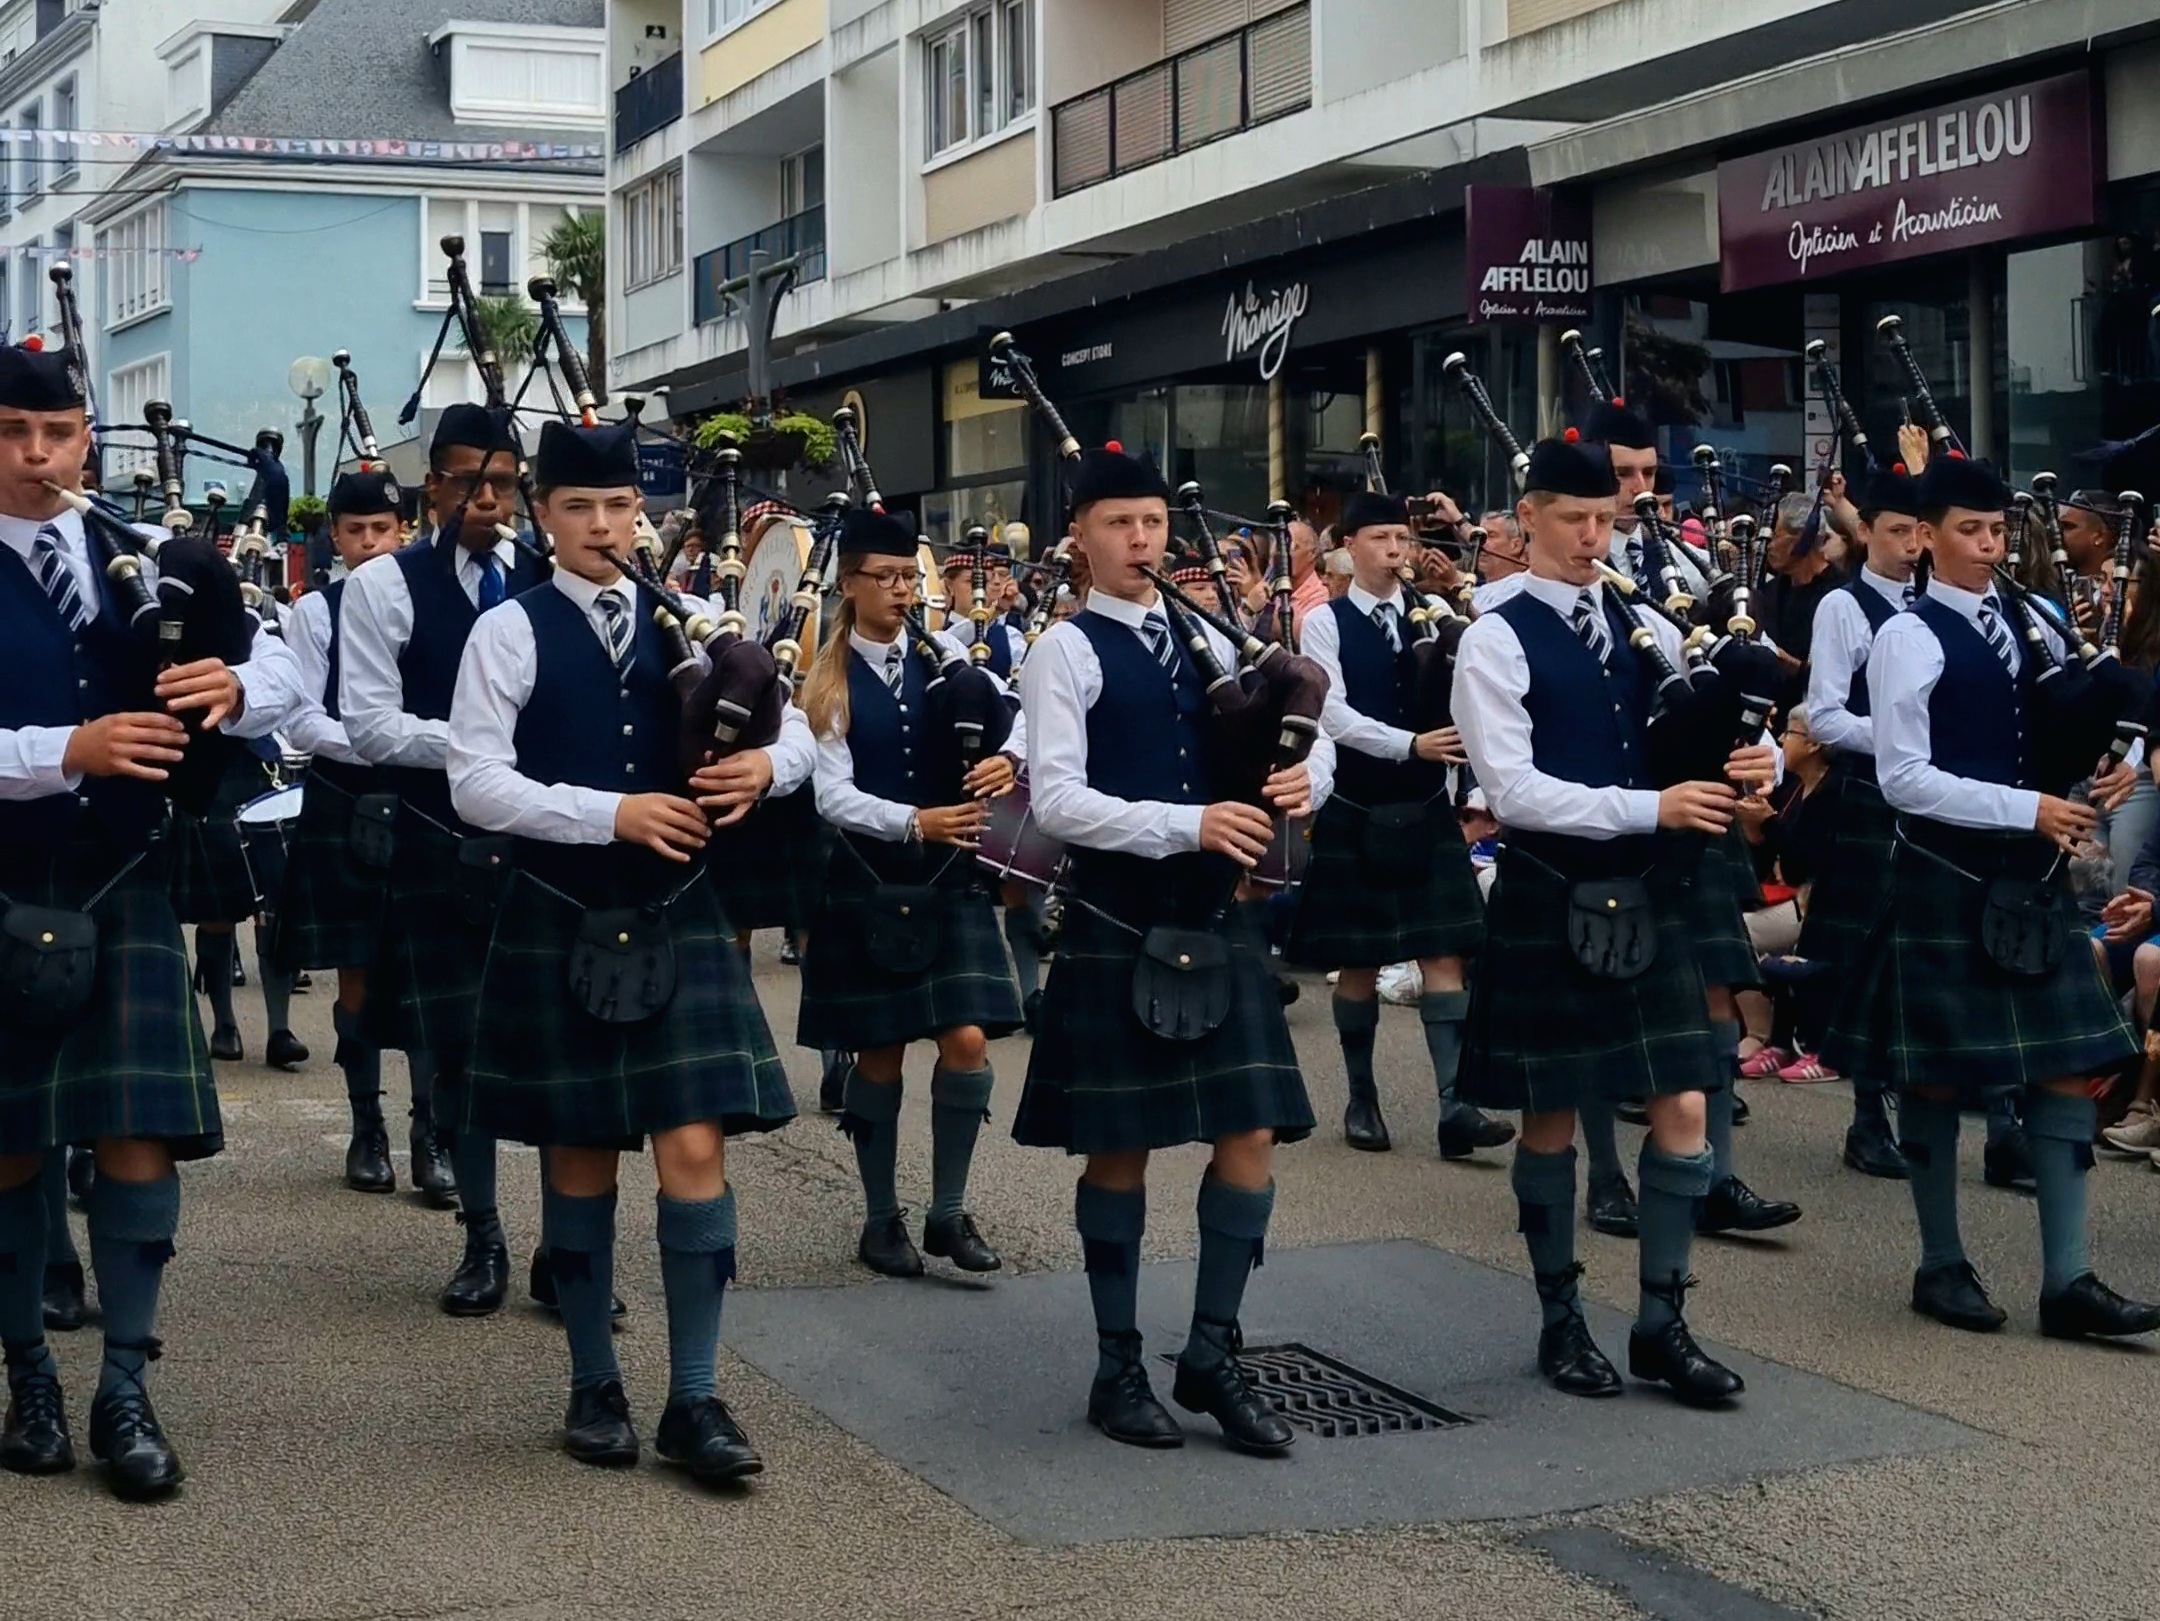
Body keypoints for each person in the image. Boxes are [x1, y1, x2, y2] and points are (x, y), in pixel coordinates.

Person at [445, 419, 795, 1478]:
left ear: (640, 516)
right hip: (565, 910)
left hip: (677, 912)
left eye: (619, 509)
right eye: (579, 509)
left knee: (694, 1151)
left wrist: (767, 771)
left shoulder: (691, 617)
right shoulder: (507, 632)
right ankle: (594, 1382)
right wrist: (614, 813)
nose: (603, 527)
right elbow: (474, 782)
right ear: (542, 517)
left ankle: (695, 1396)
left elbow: (804, 731)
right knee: (581, 1150)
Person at [0, 340, 280, 1497]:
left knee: (137, 1136)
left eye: (56, 433)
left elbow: (279, 680)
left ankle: (124, 1382)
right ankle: (29, 1375)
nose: (34, 456)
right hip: (8, 880)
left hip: (127, 878)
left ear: (87, 438)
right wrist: (67, 747)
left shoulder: (145, 556)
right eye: (12, 434)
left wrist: (235, 690)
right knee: (12, 1150)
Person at [1014, 444, 1331, 1455]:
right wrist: (1185, 825)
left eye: (1151, 522)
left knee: (1250, 1131)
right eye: (1117, 523)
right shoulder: (1063, 652)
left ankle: (1209, 1351)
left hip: (1216, 917)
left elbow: (1301, 733)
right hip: (1121, 919)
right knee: (1123, 1147)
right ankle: (1118, 1366)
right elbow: (1056, 798)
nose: (1139, 539)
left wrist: (1301, 780)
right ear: (1080, 538)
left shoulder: (1214, 640)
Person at [1821, 455, 2159, 1341]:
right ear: (1926, 537)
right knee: (1934, 1077)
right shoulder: (1907, 634)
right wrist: (2027, 808)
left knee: (2059, 1070)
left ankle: (2069, 1279)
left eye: (1999, 530)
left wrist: (2110, 773)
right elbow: (1902, 777)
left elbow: (2059, 727)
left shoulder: (2032, 620)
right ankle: (1940, 1264)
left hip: (2031, 879)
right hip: (1947, 877)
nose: (1988, 545)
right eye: (1970, 531)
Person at [1451, 434, 1756, 1407]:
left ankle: (1663, 1321)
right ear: (1525, 519)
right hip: (1554, 888)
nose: (1595, 537)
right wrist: (1651, 808)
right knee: (1549, 1124)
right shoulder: (1493, 637)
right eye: (1576, 520)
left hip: (1648, 890)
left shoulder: (1647, 623)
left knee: (1687, 1104)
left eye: (1606, 521)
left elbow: (1695, 733)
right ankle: (1561, 1317)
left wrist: (1754, 767)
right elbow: (1515, 790)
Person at [339, 404, 554, 1317]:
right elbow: (371, 724)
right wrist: (479, 746)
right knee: (462, 1051)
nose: (488, 498)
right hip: (442, 846)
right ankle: (483, 1238)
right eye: (470, 480)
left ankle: (568, 1249)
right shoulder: (385, 585)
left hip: (543, 847)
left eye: (503, 482)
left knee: (552, 1052)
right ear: (433, 484)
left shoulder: (542, 578)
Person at [800, 511, 1025, 1277]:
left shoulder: (953, 660)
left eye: (911, 578)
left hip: (949, 878)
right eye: (888, 578)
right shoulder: (827, 679)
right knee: (883, 1053)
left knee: (966, 1043)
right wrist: (913, 820)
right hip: (871, 879)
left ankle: (947, 1212)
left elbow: (1023, 716)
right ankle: (878, 1218)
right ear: (851, 584)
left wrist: (1009, 762)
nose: (903, 591)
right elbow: (832, 796)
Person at [1285, 488, 1510, 1159]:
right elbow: (1334, 715)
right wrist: (1411, 744)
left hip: (1426, 809)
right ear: (1348, 548)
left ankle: (1453, 1106)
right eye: (1380, 539)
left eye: (1402, 540)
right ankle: (1361, 1096)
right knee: (1360, 961)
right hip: (1360, 805)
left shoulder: (1430, 612)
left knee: (1443, 954)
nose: (1394, 551)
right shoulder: (1325, 622)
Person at [277, 467, 455, 1202]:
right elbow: (299, 717)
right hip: (349, 799)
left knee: (427, 972)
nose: (372, 543)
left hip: (424, 801)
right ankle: (365, 1127)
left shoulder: (429, 593)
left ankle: (430, 1130)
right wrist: (377, 741)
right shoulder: (315, 612)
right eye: (356, 531)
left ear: (403, 529)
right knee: (356, 972)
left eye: (384, 529)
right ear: (336, 538)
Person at [1798, 464, 1925, 1179]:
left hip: (1940, 803)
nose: (1911, 545)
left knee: (1931, 959)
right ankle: (1868, 1118)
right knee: (1873, 963)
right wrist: (1906, 744)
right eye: (1897, 531)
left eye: (1918, 532)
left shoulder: (1941, 603)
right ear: (1867, 531)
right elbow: (1823, 714)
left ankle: (1992, 1119)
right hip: (1874, 794)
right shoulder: (1845, 609)